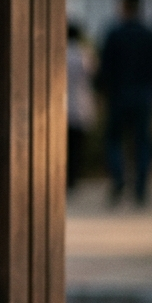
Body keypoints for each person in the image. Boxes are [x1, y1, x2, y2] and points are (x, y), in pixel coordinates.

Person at [95, 0, 152, 206]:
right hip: (145, 95)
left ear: (124, 5)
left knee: (114, 139)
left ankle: (118, 179)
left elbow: (104, 68)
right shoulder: (151, 34)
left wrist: (101, 92)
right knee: (143, 141)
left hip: (118, 94)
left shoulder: (114, 34)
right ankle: (141, 187)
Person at [66, 23, 97, 189]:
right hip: (80, 105)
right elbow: (93, 74)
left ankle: (66, 177)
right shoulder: (83, 54)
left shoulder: (59, 52)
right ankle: (74, 178)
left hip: (63, 106)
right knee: (77, 147)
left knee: (64, 145)